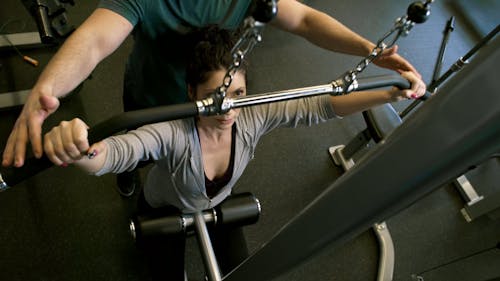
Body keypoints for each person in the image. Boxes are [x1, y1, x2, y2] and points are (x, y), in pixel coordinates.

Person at [42, 26, 426, 280]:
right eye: (213, 96)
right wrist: (79, 149)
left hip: (218, 209)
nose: (227, 109)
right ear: (191, 93)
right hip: (164, 210)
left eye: (238, 95)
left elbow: (321, 105)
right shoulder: (171, 133)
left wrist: (393, 91)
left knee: (246, 273)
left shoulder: (252, 118)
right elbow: (117, 153)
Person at [2, 0, 422, 197]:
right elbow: (94, 41)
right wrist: (47, 93)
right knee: (135, 155)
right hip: (154, 102)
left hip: (222, 96)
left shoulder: (245, 111)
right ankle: (130, 181)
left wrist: (374, 54)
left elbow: (308, 21)